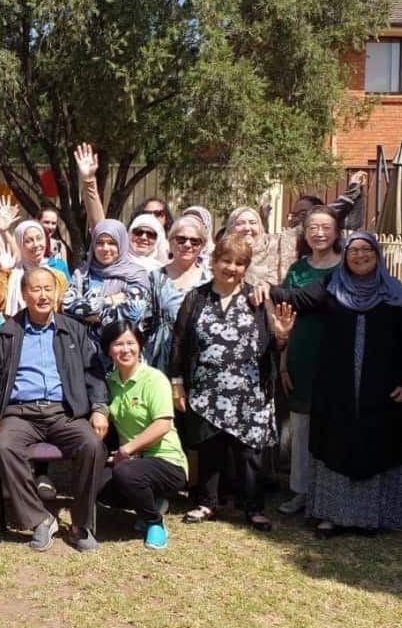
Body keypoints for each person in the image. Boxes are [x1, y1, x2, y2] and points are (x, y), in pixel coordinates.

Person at [270, 231, 402, 537]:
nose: (360, 255)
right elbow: (293, 298)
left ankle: (371, 517)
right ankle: (330, 515)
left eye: (367, 250)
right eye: (354, 251)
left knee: (375, 446)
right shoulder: (331, 287)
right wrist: (260, 289)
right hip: (336, 387)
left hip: (382, 390)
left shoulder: (396, 294)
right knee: (334, 446)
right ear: (346, 256)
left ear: (377, 255)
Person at [0, 267, 111, 552]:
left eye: (48, 288)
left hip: (64, 412)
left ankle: (80, 523)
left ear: (57, 292)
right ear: (24, 294)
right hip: (20, 412)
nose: (43, 295)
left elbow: (93, 372)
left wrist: (99, 408)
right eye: (36, 289)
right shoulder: (8, 333)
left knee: (93, 446)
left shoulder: (73, 330)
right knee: (4, 447)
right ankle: (39, 519)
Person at [170, 234, 295, 532]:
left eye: (240, 263)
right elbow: (179, 342)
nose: (232, 268)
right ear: (213, 262)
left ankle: (253, 508)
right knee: (210, 449)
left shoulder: (257, 299)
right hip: (206, 390)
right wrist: (177, 382)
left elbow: (272, 345)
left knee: (248, 452)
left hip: (249, 391)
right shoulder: (196, 298)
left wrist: (281, 335)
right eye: (226, 261)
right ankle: (207, 503)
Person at [97, 321, 188, 550]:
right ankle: (153, 502)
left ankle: (154, 522)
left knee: (126, 472)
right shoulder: (110, 383)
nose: (125, 350)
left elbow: (162, 424)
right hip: (134, 463)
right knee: (98, 485)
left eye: (131, 343)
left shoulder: (154, 379)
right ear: (109, 350)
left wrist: (127, 450)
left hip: (166, 460)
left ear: (140, 346)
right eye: (118, 344)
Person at [276, 207, 342, 515]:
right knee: (300, 428)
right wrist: (285, 360)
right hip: (301, 351)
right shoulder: (297, 269)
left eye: (325, 227)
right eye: (313, 227)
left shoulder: (346, 268)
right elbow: (287, 317)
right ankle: (300, 491)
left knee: (330, 426)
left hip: (334, 356)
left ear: (337, 232)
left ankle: (327, 491)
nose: (319, 233)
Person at [64, 219, 152, 355]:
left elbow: (132, 313)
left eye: (112, 243)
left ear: (122, 244)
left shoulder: (136, 274)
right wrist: (108, 301)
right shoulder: (82, 273)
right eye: (100, 243)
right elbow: (68, 306)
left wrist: (91, 315)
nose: (105, 248)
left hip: (122, 354)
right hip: (83, 352)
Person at [143, 216, 210, 370]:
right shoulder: (154, 277)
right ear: (170, 242)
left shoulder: (210, 278)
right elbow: (144, 321)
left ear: (202, 246)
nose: (187, 245)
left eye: (195, 241)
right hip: (162, 357)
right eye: (181, 239)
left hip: (200, 357)